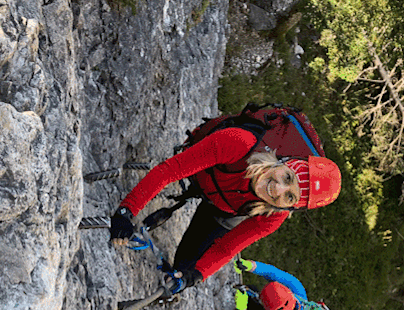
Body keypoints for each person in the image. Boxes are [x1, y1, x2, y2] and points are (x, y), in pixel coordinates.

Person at [108, 126, 341, 294]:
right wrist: (126, 211)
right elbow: (170, 171)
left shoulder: (273, 216)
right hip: (207, 176)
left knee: (183, 270)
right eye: (287, 177)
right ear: (284, 162)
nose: (278, 189)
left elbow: (228, 247)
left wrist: (195, 276)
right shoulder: (239, 144)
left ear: (292, 207)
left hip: (225, 210)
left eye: (290, 196)